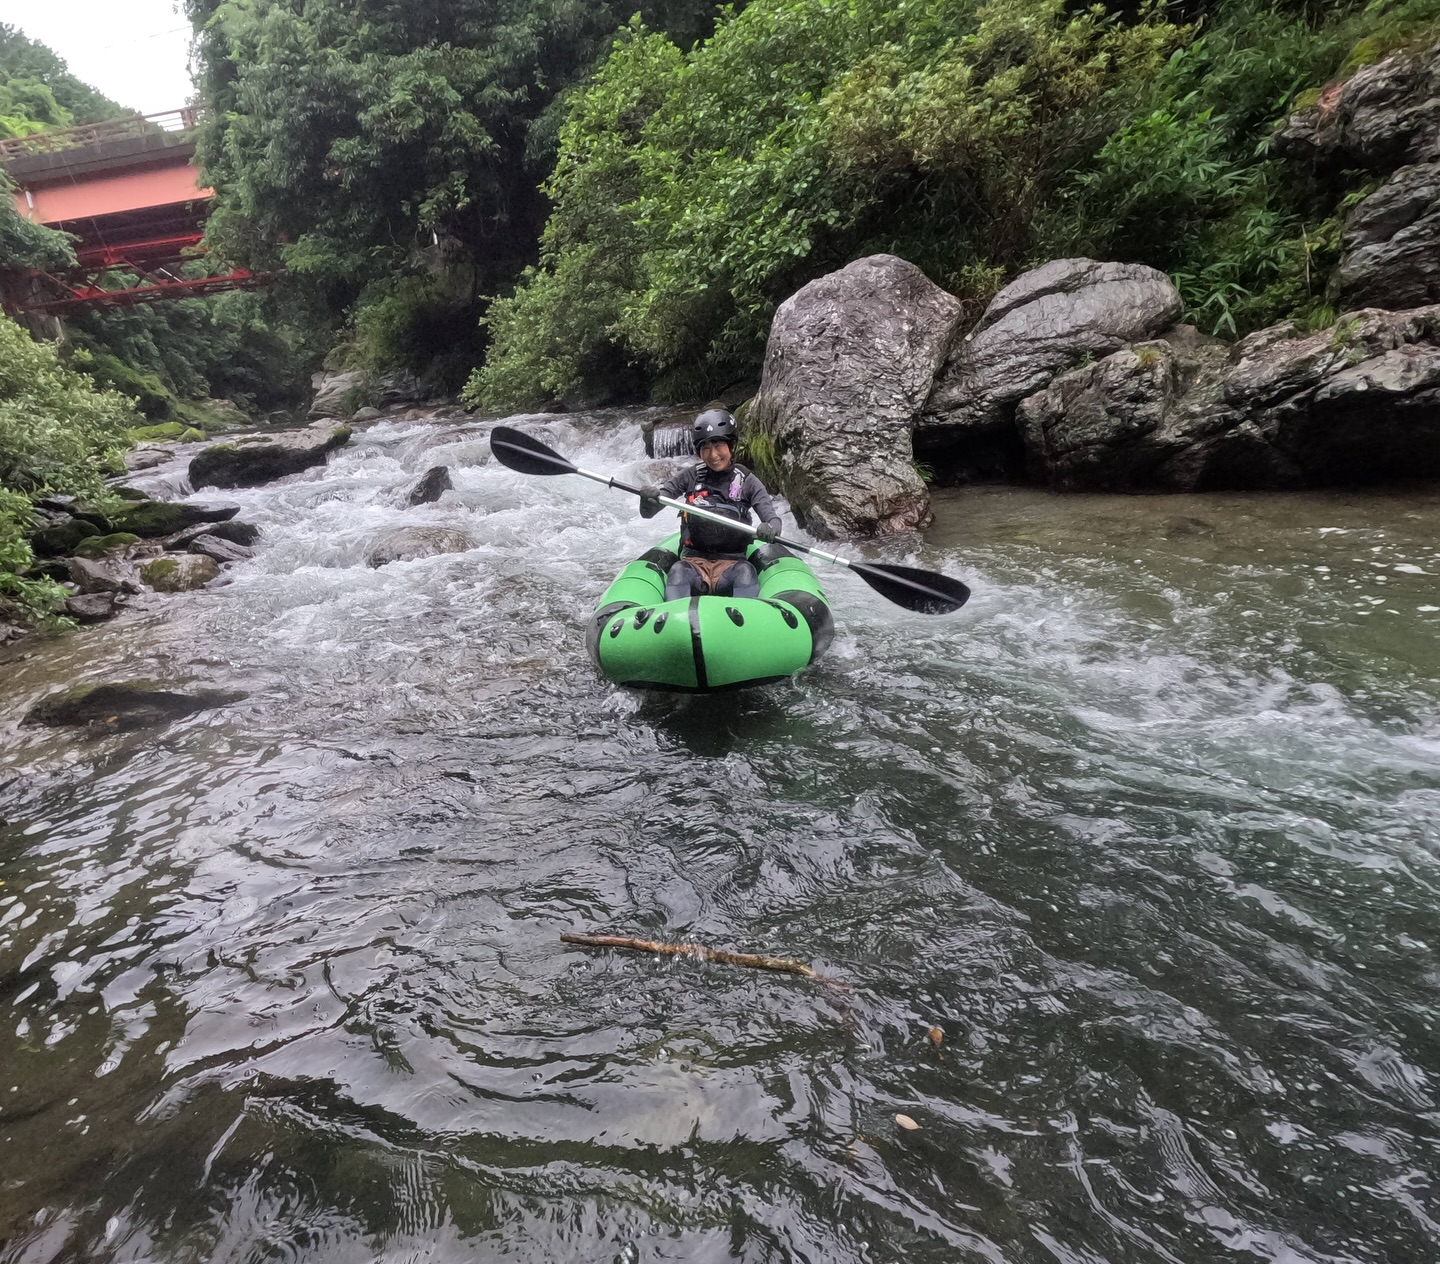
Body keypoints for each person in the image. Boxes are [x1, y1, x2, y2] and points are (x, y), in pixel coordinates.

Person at [639, 408, 782, 601]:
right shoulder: (690, 476)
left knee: (746, 574)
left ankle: (744, 625)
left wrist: (771, 529)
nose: (713, 454)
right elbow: (653, 508)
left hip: (733, 566)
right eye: (705, 447)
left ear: (731, 446)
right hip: (693, 564)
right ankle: (677, 623)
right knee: (678, 571)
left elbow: (771, 518)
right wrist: (648, 499)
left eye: (718, 445)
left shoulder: (747, 481)